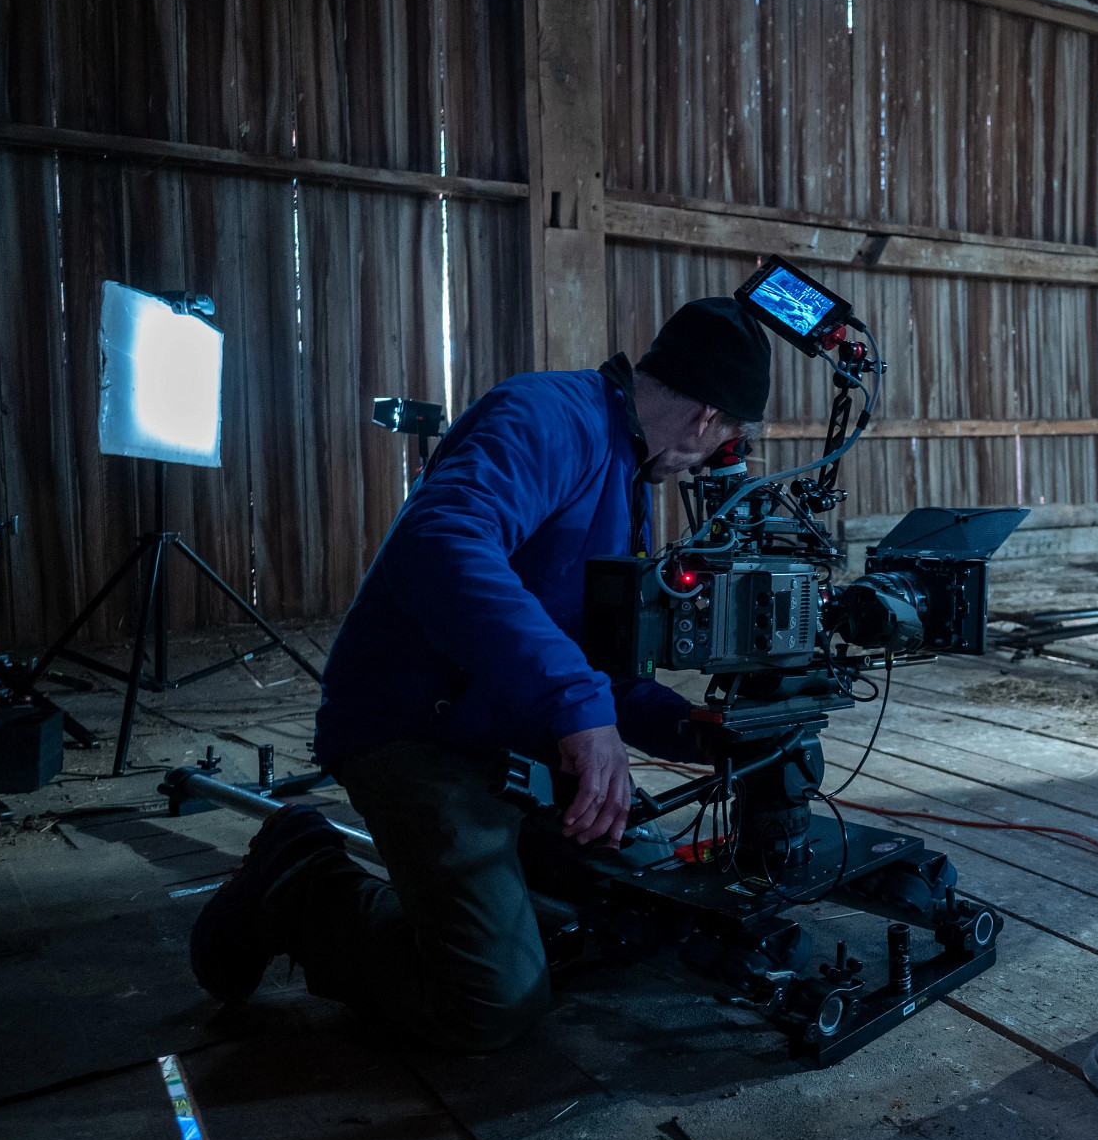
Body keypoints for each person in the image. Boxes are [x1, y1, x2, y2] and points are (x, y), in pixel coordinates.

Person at [188, 297, 772, 1051]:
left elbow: (593, 668)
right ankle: (299, 883)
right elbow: (440, 541)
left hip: (510, 740)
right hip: (416, 731)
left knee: (650, 897)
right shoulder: (551, 415)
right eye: (725, 442)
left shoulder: (626, 482)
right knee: (494, 1000)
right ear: (706, 418)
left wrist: (696, 731)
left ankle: (503, 888)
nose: (711, 464)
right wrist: (577, 704)